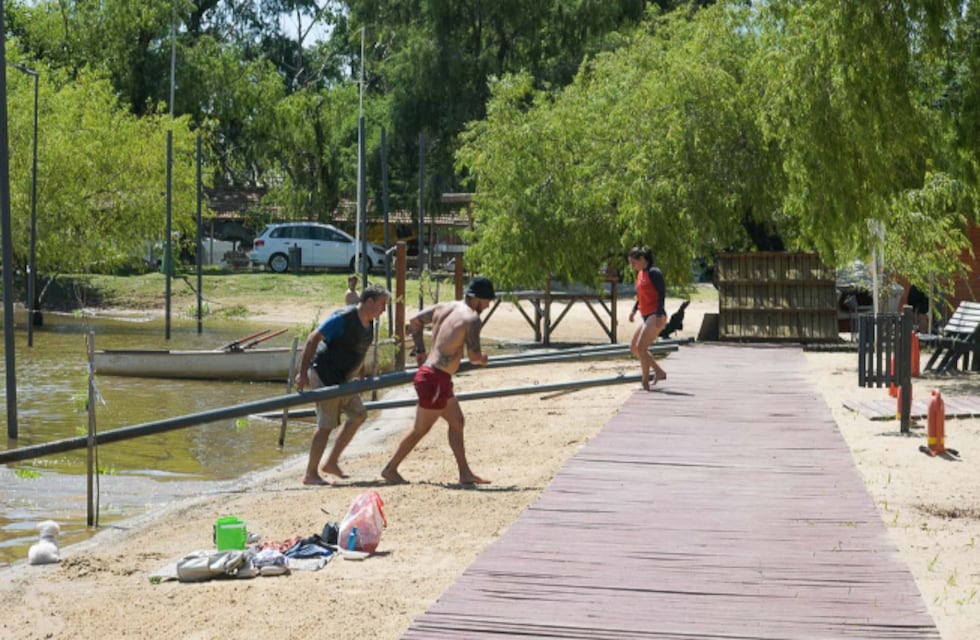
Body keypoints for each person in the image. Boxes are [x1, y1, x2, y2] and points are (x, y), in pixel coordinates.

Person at [381, 276, 496, 485]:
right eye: (487, 301)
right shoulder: (471, 319)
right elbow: (474, 356)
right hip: (435, 379)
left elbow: (415, 322)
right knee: (420, 429)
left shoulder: (445, 307)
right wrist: (483, 359)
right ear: (476, 298)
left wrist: (420, 351)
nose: (487, 306)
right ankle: (390, 469)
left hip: (436, 377)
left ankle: (464, 473)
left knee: (457, 421)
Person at [295, 283, 389, 485]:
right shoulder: (343, 318)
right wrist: (302, 374)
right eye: (382, 304)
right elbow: (313, 339)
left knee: (358, 415)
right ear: (369, 302)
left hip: (344, 380)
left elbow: (360, 350)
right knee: (326, 425)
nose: (384, 310)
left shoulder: (369, 323)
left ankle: (331, 462)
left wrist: (361, 375)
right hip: (324, 375)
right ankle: (310, 474)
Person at [627, 246, 668, 390]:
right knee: (634, 348)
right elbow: (641, 296)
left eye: (633, 262)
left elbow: (661, 294)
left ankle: (645, 381)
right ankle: (658, 371)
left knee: (641, 347)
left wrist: (658, 314)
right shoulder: (641, 274)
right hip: (645, 315)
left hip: (656, 315)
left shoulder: (654, 272)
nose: (631, 266)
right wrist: (634, 310)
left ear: (642, 259)